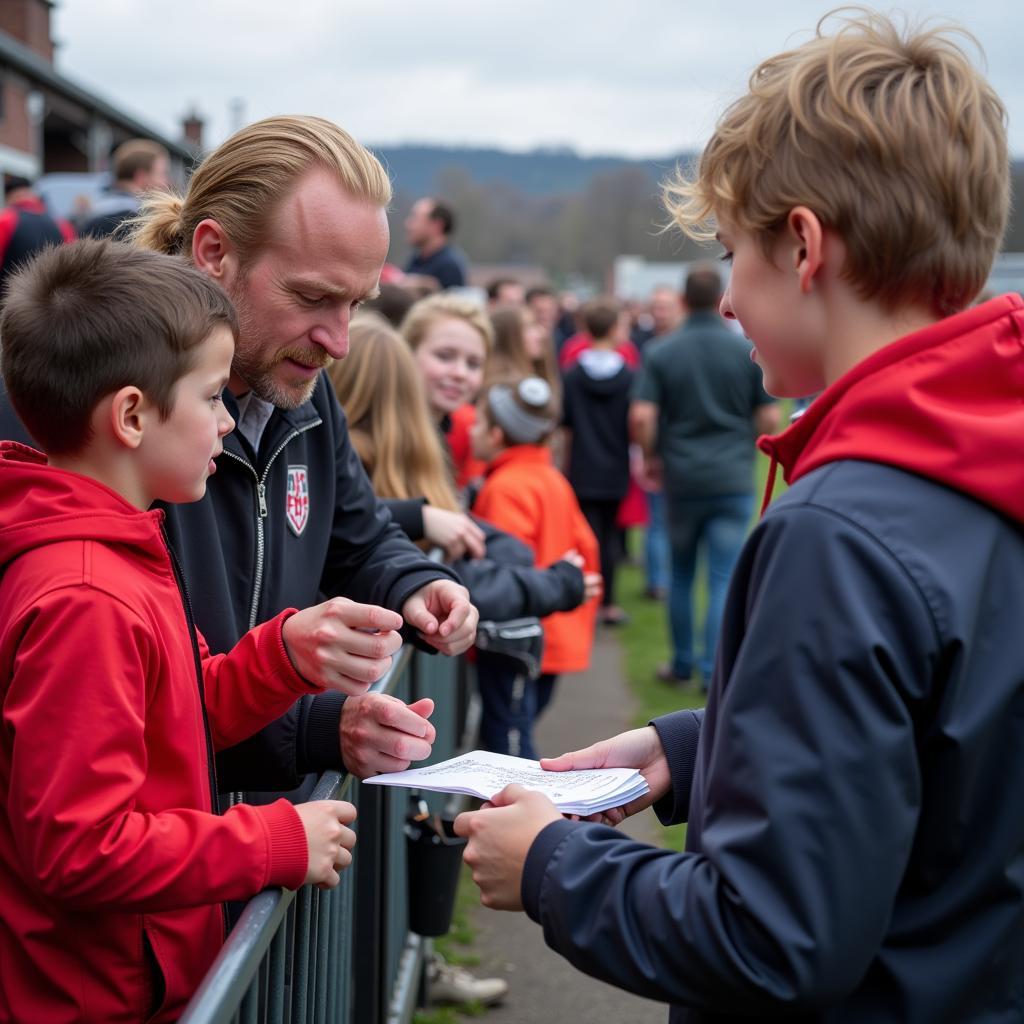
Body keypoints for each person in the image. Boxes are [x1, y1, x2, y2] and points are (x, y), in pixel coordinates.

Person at [454, 12, 1024, 1022]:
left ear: (802, 245)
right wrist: (697, 744)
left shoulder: (840, 534)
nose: (725, 301)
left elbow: (772, 935)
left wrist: (550, 863)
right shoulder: (984, 464)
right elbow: (946, 754)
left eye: (730, 253)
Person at [0, 117, 476, 803]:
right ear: (214, 252)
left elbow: (356, 532)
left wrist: (414, 583)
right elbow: (117, 727)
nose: (338, 340)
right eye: (313, 297)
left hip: (207, 861)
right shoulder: (88, 407)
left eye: (355, 304)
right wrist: (310, 730)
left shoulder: (303, 383)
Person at [0, 239, 365, 1022]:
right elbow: (79, 849)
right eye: (210, 398)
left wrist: (282, 656)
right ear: (132, 415)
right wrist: (269, 841)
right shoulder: (85, 596)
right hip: (94, 1002)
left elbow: (183, 713)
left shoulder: (124, 545)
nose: (229, 422)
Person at [633, 265, 778, 687]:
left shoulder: (663, 350)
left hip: (682, 476)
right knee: (722, 576)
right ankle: (712, 672)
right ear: (720, 298)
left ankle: (681, 663)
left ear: (682, 301)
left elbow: (643, 416)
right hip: (731, 476)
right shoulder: (743, 351)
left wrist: (650, 456)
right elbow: (769, 417)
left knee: (680, 574)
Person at [471, 377, 600, 749]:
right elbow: (586, 548)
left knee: (510, 746)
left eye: (479, 422)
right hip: (554, 638)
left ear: (496, 435)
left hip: (516, 642)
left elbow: (504, 570)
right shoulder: (552, 479)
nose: (472, 429)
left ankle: (532, 809)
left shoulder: (506, 488)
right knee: (518, 732)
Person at [561, 296, 634, 626]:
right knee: (611, 538)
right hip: (617, 464)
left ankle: (586, 600)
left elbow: (566, 427)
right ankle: (610, 603)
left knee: (585, 536)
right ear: (616, 328)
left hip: (582, 466)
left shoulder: (573, 376)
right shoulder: (630, 376)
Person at [402, 292, 493, 494]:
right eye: (444, 356)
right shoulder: (378, 433)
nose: (460, 373)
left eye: (473, 364)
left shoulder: (443, 432)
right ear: (407, 352)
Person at [80, 138, 171, 239]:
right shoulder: (133, 221)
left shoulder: (94, 210)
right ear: (141, 176)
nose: (166, 182)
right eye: (162, 174)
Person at [0, 175, 75, 290]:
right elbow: (73, 262)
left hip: (10, 301)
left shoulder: (5, 220)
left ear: (8, 197)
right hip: (50, 300)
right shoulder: (61, 223)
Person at [403, 197, 468, 290]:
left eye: (415, 218)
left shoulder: (450, 267)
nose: (407, 224)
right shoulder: (415, 260)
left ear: (437, 225)